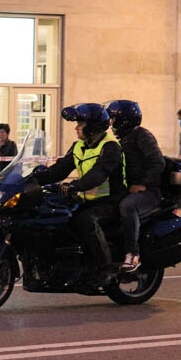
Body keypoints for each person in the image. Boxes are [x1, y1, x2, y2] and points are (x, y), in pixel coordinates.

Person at [31, 103, 126, 284]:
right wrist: (33, 179)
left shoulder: (110, 147)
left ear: (93, 126)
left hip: (109, 201)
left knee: (86, 220)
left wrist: (75, 185)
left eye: (80, 124)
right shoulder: (79, 146)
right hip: (86, 198)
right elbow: (59, 170)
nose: (76, 128)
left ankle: (105, 268)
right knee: (54, 214)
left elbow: (98, 174)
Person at [107, 100, 164, 272]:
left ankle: (133, 254)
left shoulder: (142, 135)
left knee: (128, 206)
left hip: (149, 191)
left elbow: (157, 162)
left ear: (124, 119)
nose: (111, 123)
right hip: (129, 188)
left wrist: (142, 183)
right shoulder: (122, 138)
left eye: (113, 118)